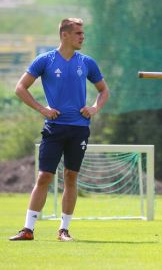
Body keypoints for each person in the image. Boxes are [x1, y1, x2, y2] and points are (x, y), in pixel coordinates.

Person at [9, 18, 110, 241]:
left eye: (83, 33)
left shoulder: (87, 62)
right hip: (54, 128)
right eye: (78, 33)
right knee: (44, 176)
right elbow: (20, 88)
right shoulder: (45, 60)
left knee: (71, 177)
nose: (82, 37)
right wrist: (42, 109)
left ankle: (63, 230)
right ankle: (28, 229)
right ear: (64, 35)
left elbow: (104, 91)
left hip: (79, 129)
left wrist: (94, 107)